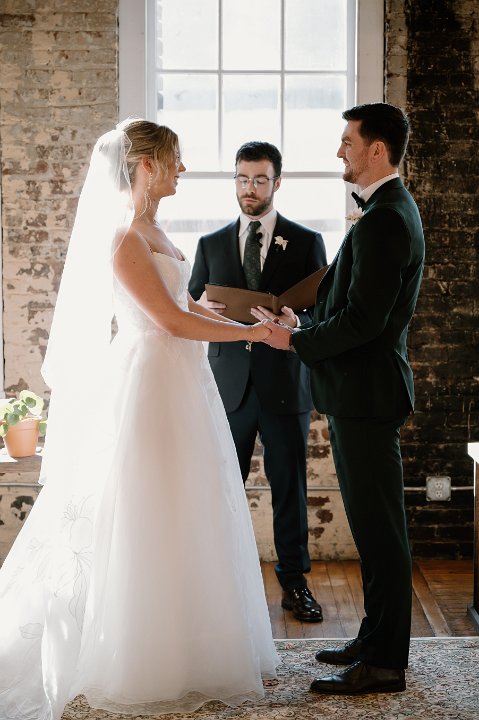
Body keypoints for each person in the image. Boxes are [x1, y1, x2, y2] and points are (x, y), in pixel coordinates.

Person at [0, 120, 280, 719]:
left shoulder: (155, 230)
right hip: (150, 383)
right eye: (175, 159)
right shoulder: (124, 236)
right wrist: (252, 334)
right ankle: (142, 652)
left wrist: (233, 321)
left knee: (188, 505)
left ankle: (192, 644)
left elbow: (184, 306)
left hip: (182, 379)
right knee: (149, 506)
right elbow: (169, 322)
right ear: (147, 165)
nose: (183, 169)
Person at [252, 102, 425, 695]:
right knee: (374, 529)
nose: (339, 150)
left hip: (367, 395)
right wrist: (304, 320)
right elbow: (352, 305)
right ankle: (373, 640)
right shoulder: (385, 211)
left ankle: (385, 663)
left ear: (377, 149)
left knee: (381, 533)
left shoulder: (386, 219)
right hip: (361, 393)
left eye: (347, 141)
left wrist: (294, 340)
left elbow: (364, 322)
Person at [189, 141, 327, 622]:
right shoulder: (209, 244)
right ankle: (219, 583)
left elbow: (323, 312)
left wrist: (298, 321)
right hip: (228, 387)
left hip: (285, 385)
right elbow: (187, 310)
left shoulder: (306, 241)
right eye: (243, 178)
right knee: (223, 488)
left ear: (277, 182)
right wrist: (199, 308)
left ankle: (295, 584)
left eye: (260, 179)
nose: (250, 188)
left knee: (289, 489)